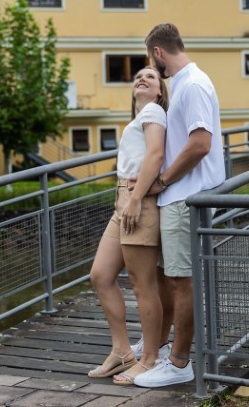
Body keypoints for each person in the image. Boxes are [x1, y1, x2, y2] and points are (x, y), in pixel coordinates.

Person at [133, 23, 225, 388]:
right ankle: (159, 347)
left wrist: (164, 180)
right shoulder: (185, 84)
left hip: (186, 197)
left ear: (158, 52)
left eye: (150, 57)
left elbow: (200, 143)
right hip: (176, 197)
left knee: (181, 281)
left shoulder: (194, 84)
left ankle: (179, 363)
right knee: (167, 277)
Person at [87, 66, 170, 385]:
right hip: (123, 197)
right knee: (100, 274)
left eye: (150, 77)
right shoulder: (140, 117)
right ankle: (122, 351)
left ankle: (149, 359)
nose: (142, 79)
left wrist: (135, 199)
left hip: (138, 200)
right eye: (138, 76)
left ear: (159, 91)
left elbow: (156, 154)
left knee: (142, 284)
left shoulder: (153, 111)